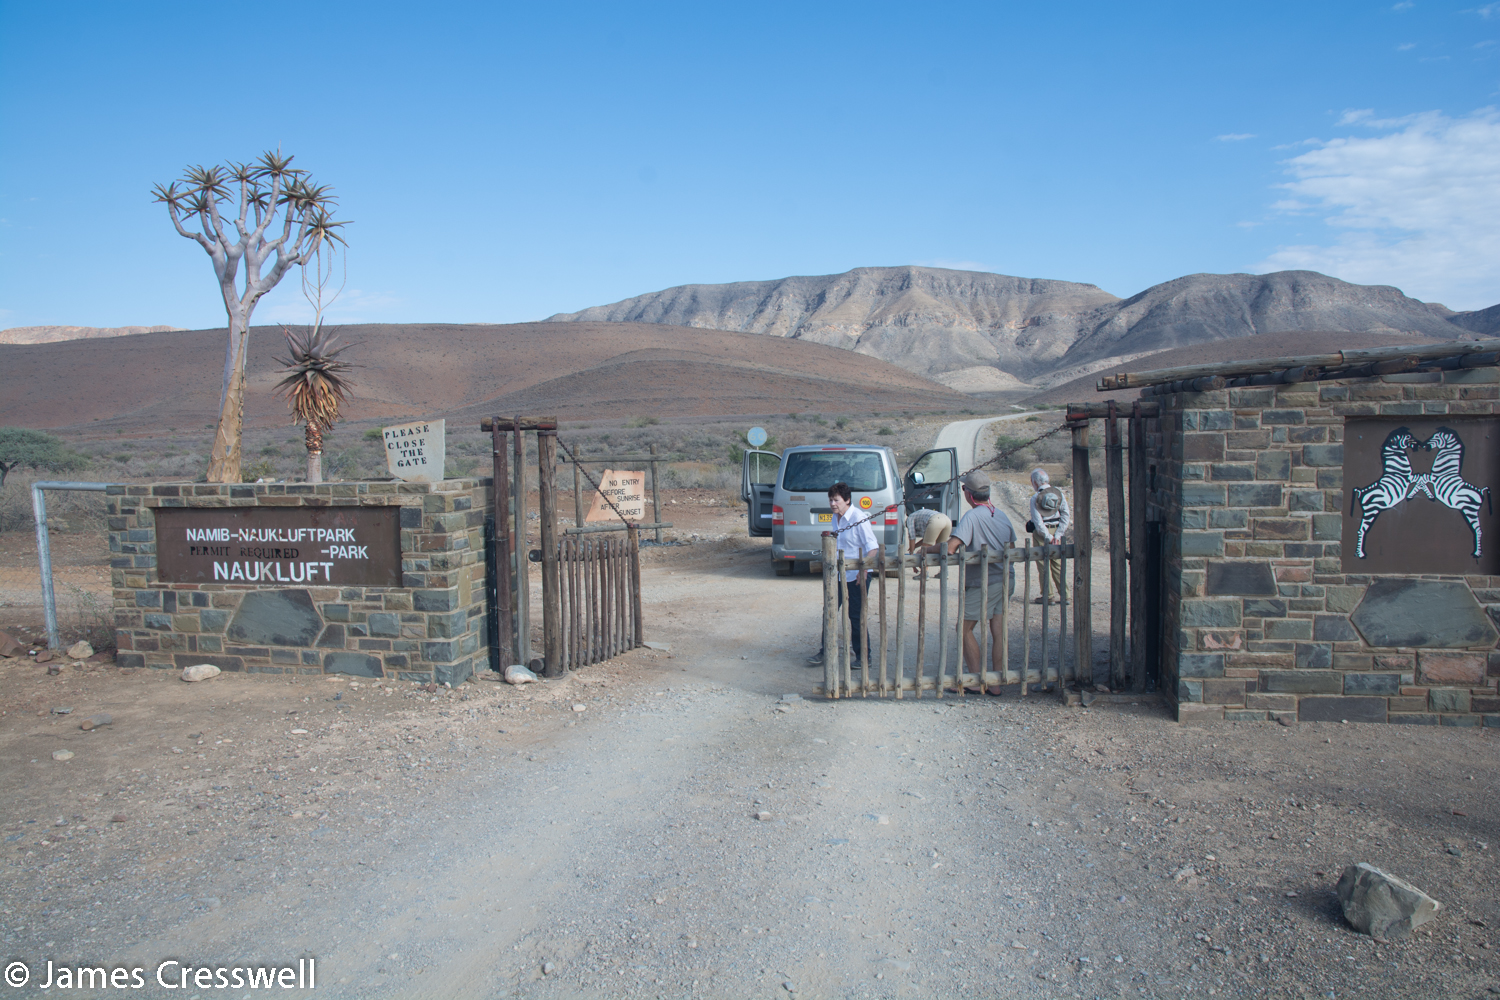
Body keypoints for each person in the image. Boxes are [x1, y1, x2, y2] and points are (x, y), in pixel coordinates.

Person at [946, 470, 1017, 694]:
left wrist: (927, 548)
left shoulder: (973, 516)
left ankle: (976, 681)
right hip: (1006, 578)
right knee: (998, 631)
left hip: (985, 583)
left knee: (963, 628)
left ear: (968, 494)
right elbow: (1012, 549)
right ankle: (996, 683)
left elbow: (950, 548)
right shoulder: (1001, 514)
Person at [808, 481, 880, 669]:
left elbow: (872, 548)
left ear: (847, 500)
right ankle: (825, 652)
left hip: (857, 575)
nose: (833, 504)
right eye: (831, 500)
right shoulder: (836, 518)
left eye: (836, 500)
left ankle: (864, 656)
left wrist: (863, 571)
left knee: (855, 616)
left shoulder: (858, 517)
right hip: (838, 575)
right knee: (830, 612)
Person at [1026, 468, 1070, 604]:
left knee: (1043, 564)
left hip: (1042, 535)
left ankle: (1048, 595)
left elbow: (1038, 522)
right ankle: (1065, 595)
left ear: (1035, 482)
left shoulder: (1035, 497)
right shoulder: (1059, 494)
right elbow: (1065, 516)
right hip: (1056, 531)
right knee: (1057, 565)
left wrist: (1048, 537)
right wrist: (1057, 535)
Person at [905, 507, 952, 578]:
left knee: (923, 550)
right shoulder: (919, 517)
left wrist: (911, 552)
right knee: (942, 549)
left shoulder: (909, 519)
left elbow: (912, 537)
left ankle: (924, 572)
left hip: (935, 521)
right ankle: (944, 572)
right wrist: (915, 545)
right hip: (947, 520)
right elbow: (926, 539)